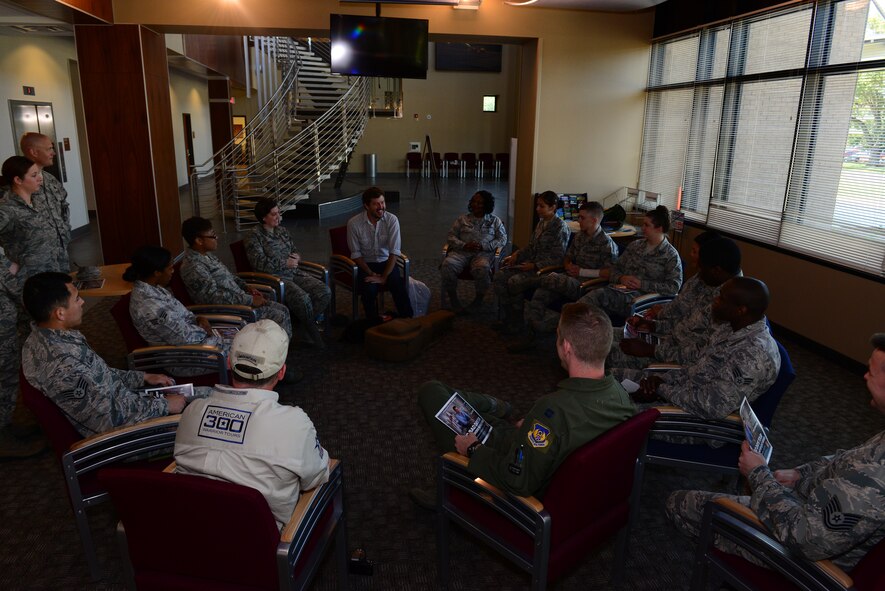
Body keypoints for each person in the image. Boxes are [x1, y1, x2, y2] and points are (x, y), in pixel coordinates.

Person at [666, 333, 885, 571]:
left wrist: (758, 474)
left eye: (871, 373)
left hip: (805, 561)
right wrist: (800, 475)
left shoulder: (876, 476)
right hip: (811, 515)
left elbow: (804, 539)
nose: (864, 376)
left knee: (680, 504)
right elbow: (844, 460)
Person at [411, 302, 635, 507]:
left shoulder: (552, 412)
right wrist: (531, 425)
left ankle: (453, 493)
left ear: (566, 347)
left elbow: (516, 481)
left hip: (523, 490)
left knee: (431, 393)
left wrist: (473, 450)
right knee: (480, 418)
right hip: (544, 462)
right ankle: (492, 408)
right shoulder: (621, 396)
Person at [174, 319, 330, 528]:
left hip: (194, 530)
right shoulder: (294, 425)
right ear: (281, 372)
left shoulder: (192, 412)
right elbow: (316, 476)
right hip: (260, 546)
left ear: (229, 363)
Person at [20, 272, 190, 437]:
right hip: (130, 434)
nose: (82, 302)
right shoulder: (63, 364)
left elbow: (101, 376)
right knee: (207, 413)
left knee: (203, 397)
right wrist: (164, 406)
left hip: (128, 404)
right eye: (77, 298)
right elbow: (108, 420)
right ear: (60, 313)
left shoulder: (46, 336)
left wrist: (142, 377)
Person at [619, 276, 780, 420]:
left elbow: (712, 406)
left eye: (721, 298)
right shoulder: (729, 327)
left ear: (741, 310)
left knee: (614, 413)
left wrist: (660, 389)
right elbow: (697, 368)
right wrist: (661, 381)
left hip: (697, 419)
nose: (715, 300)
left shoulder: (753, 354)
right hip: (680, 391)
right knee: (613, 379)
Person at [610, 236, 742, 369]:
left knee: (603, 352)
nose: (699, 273)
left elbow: (698, 354)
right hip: (664, 338)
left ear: (716, 271)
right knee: (599, 334)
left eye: (702, 269)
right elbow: (683, 320)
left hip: (672, 358)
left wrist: (651, 350)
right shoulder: (710, 279)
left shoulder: (729, 305)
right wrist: (653, 326)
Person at [509, 201, 618, 352]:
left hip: (586, 287)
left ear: (594, 220)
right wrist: (568, 266)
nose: (578, 221)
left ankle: (530, 281)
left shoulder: (607, 244)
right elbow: (567, 257)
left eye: (582, 218)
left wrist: (581, 272)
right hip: (568, 279)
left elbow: (609, 273)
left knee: (552, 278)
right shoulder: (580, 236)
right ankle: (532, 335)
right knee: (541, 294)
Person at [179, 216, 292, 340]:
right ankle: (277, 352)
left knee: (283, 309)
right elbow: (213, 298)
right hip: (229, 309)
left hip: (239, 300)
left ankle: (279, 349)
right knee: (279, 315)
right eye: (212, 236)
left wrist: (247, 287)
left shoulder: (207, 256)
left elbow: (230, 277)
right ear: (199, 241)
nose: (217, 238)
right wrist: (249, 300)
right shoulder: (193, 266)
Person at [124, 245, 229, 375]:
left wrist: (197, 319)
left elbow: (182, 314)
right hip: (183, 358)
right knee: (247, 354)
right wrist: (212, 334)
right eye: (170, 268)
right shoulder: (149, 306)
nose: (173, 271)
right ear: (157, 272)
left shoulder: (154, 288)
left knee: (247, 341)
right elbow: (185, 338)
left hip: (196, 343)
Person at [245, 197, 330, 348]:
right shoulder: (254, 236)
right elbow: (258, 262)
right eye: (274, 214)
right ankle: (311, 330)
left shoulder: (282, 231)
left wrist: (297, 256)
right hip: (274, 278)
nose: (278, 217)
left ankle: (304, 326)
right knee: (303, 299)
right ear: (263, 217)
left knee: (324, 291)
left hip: (293, 272)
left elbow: (293, 249)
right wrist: (284, 262)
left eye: (278, 213)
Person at [579, 205, 682, 323]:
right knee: (591, 312)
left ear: (659, 228)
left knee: (596, 298)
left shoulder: (670, 255)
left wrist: (642, 284)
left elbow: (673, 287)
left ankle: (571, 323)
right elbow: (614, 269)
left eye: (647, 225)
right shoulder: (635, 245)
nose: (642, 228)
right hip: (618, 291)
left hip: (641, 301)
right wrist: (622, 278)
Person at [493, 191, 570, 333]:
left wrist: (534, 265)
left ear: (553, 207)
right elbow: (531, 246)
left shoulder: (560, 227)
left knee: (514, 282)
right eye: (537, 206)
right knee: (500, 276)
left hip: (545, 270)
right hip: (530, 264)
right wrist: (516, 255)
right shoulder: (541, 223)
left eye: (541, 206)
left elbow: (558, 258)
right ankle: (509, 317)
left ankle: (516, 323)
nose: (537, 209)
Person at [346, 186, 413, 319]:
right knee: (369, 290)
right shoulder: (354, 224)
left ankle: (407, 319)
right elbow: (356, 254)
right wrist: (371, 273)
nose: (381, 207)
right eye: (376, 204)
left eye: (382, 202)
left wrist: (383, 277)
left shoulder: (392, 220)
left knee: (397, 284)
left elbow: (394, 252)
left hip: (386, 262)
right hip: (366, 264)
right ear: (366, 206)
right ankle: (373, 322)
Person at [440, 190, 507, 312]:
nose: (476, 205)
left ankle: (478, 300)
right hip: (461, 252)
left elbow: (502, 239)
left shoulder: (494, 221)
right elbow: (451, 236)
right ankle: (453, 299)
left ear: (487, 205)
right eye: (474, 202)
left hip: (483, 254)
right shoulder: (462, 219)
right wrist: (464, 245)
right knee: (447, 265)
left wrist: (484, 246)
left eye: (480, 203)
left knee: (482, 268)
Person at [20, 133, 71, 272]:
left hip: (60, 256)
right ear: (34, 152)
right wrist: (8, 265)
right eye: (49, 149)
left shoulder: (50, 179)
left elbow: (63, 209)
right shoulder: (18, 184)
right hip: (34, 266)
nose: (53, 153)